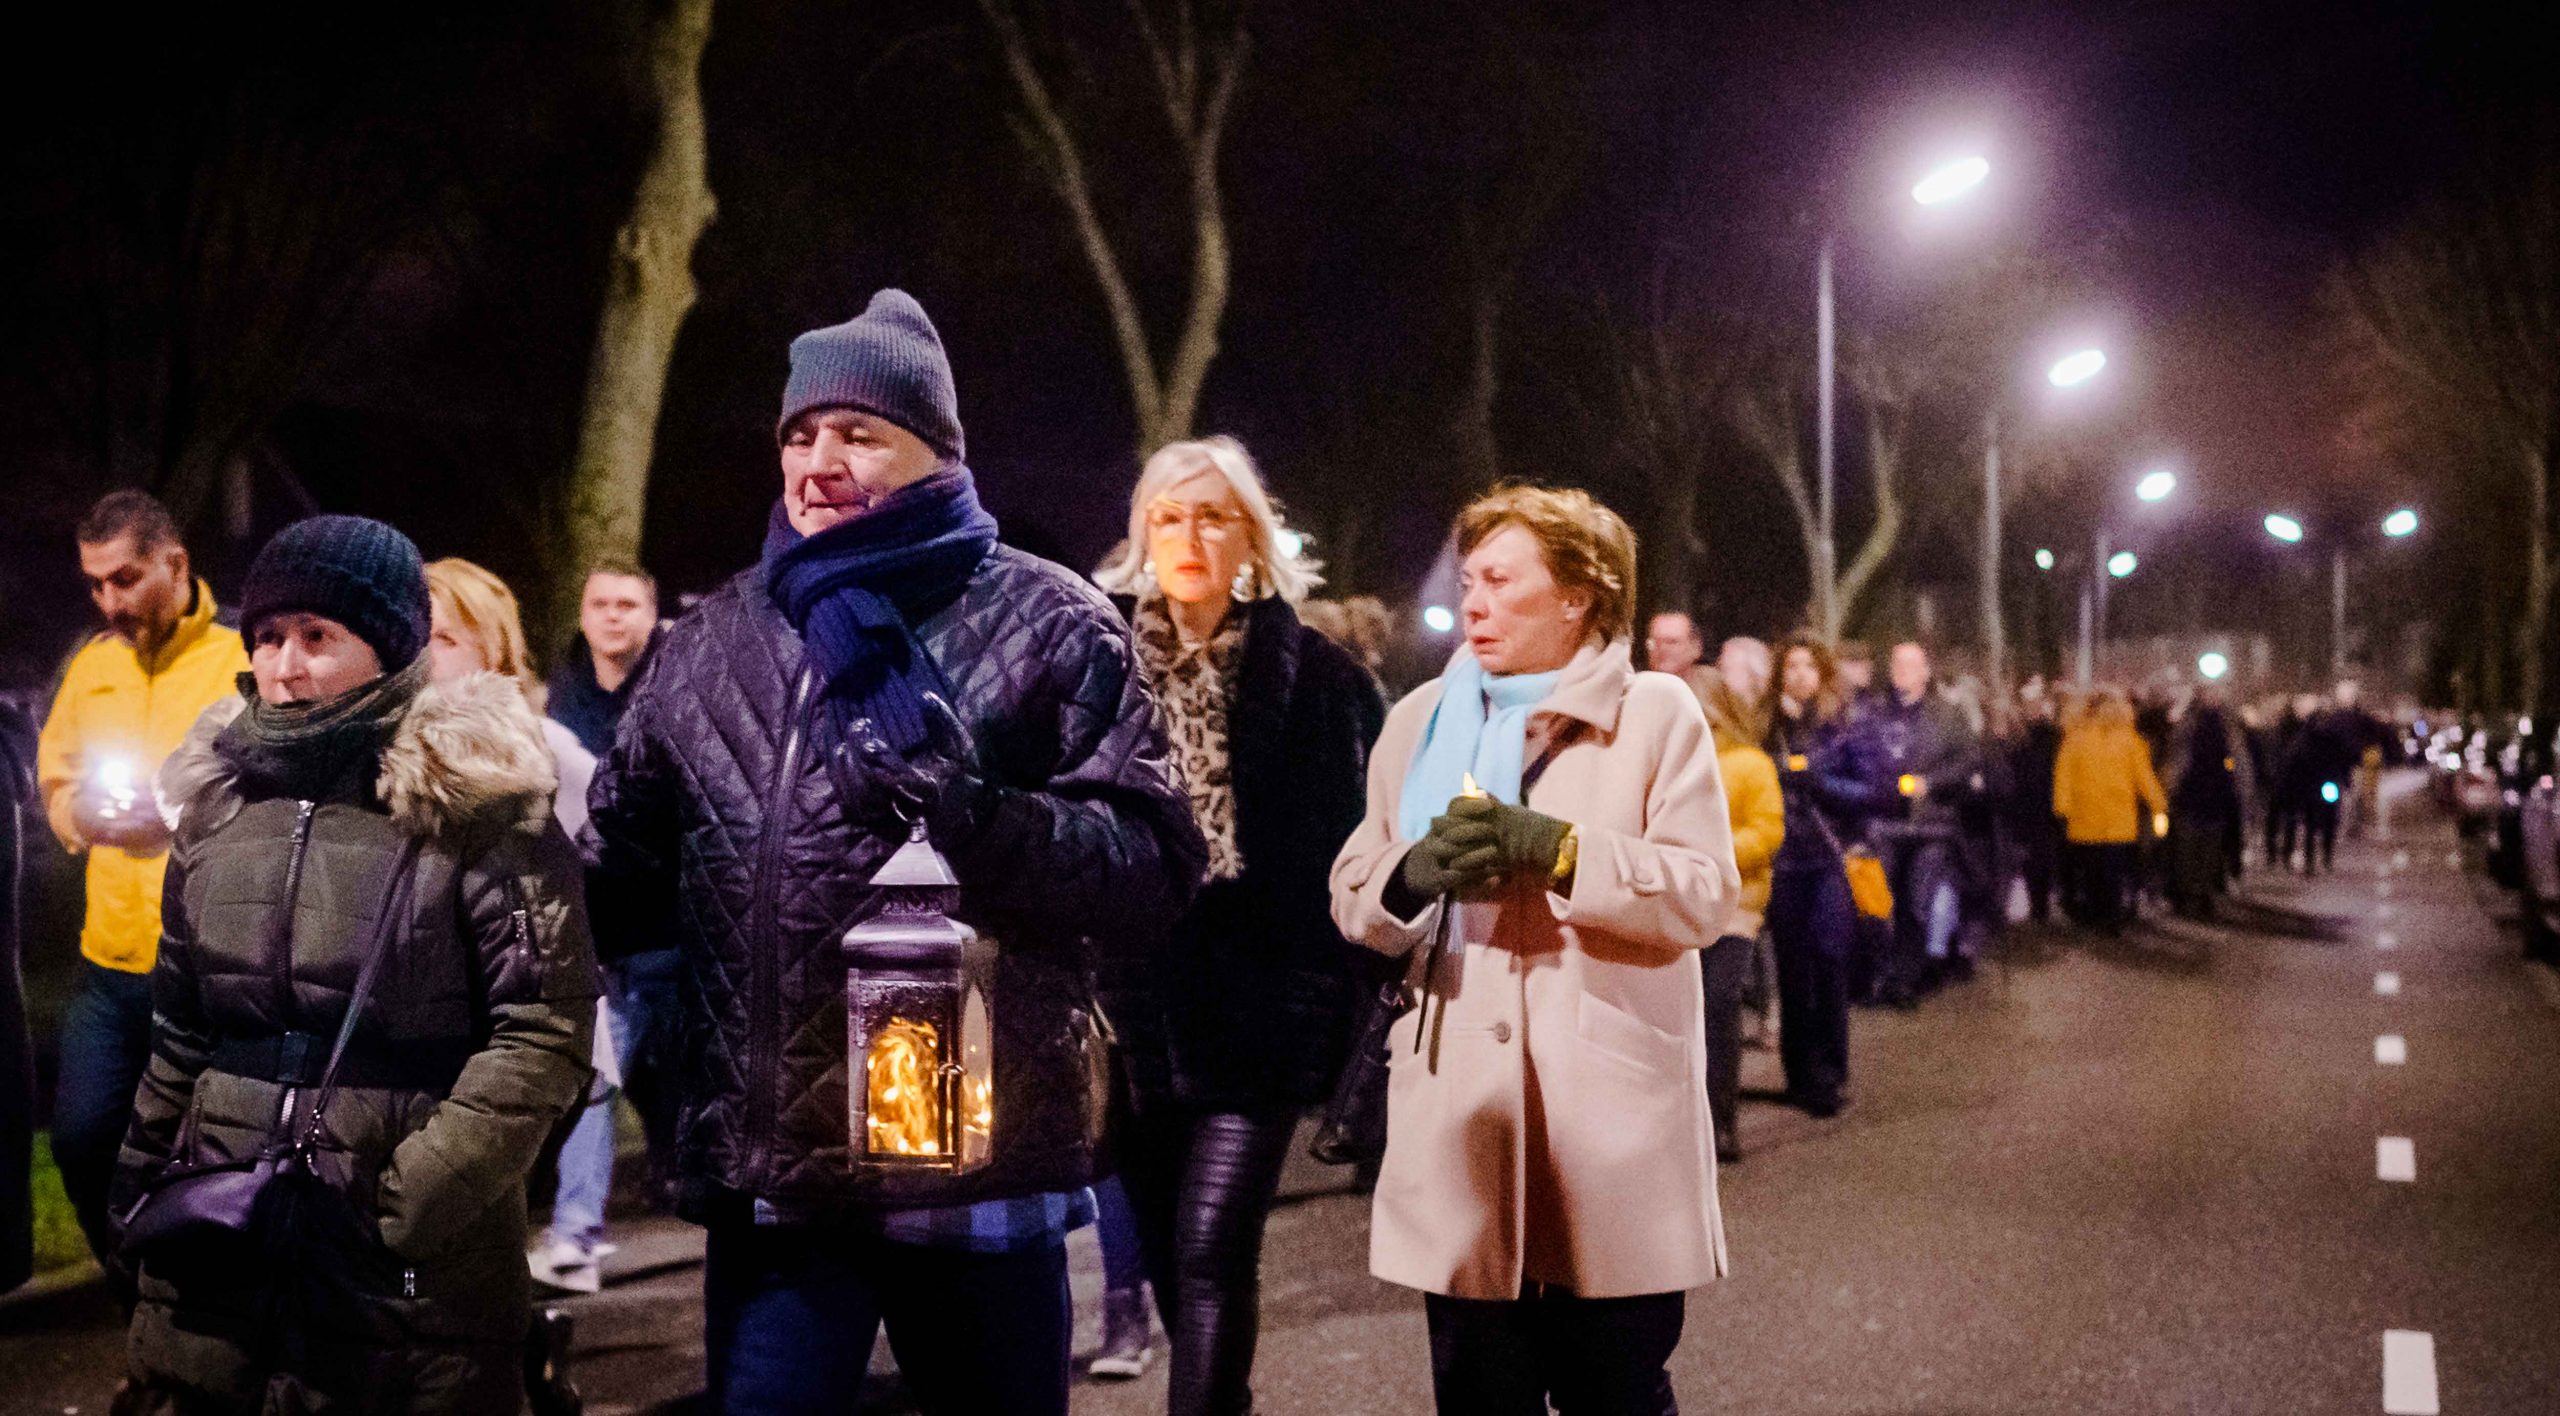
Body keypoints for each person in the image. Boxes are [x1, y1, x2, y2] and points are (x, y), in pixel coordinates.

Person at [582, 289, 1205, 1416]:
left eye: (859, 433)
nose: (819, 460)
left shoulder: (1051, 620)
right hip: (783, 1186)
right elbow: (617, 880)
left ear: (938, 450)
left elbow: (1152, 869)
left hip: (977, 1181)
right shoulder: (714, 640)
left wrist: (974, 816)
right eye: (799, 433)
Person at [111, 515, 598, 1412]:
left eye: (318, 637)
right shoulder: (217, 807)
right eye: (267, 637)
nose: (285, 666)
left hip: (402, 1268)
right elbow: (181, 1027)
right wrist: (145, 1178)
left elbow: (543, 1031)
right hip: (228, 1243)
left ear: (390, 648)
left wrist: (413, 1201)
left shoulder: (482, 803)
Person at [1331, 485, 1740, 1415]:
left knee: (1616, 1392)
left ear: (1578, 596)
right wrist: (1412, 872)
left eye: (1501, 581)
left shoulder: (1658, 712)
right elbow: (1355, 893)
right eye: (1469, 579)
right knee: (1479, 1396)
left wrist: (1560, 852)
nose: (1472, 603)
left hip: (1609, 1129)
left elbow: (1706, 894)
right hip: (1464, 1121)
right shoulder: (1420, 719)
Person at [1093, 436, 1386, 1413]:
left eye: (1212, 515)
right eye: (1168, 516)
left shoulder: (1320, 679)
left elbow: (1348, 850)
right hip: (1131, 1016)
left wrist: (1319, 1001)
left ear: (1250, 536)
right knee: (1176, 1264)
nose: (1188, 535)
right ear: (1141, 533)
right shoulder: (1091, 666)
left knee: (1215, 1247)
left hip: (1260, 1015)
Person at [34, 490, 247, 1271]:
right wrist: (80, 816)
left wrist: (178, 823)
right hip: (108, 965)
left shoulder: (242, 660)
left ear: (176, 563)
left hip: (209, 971)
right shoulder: (92, 667)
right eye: (95, 584)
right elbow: (54, 780)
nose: (107, 601)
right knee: (85, 1146)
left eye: (124, 579)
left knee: (206, 1167)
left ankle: (202, 1340)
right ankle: (141, 1306)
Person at [420, 559, 627, 1301]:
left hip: (517, 1042)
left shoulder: (550, 754)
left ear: (494, 652)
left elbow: (602, 868)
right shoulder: (383, 756)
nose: (424, 653)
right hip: (421, 1040)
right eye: (415, 633)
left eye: (444, 636)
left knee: (473, 1244)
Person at [544, 562, 679, 1223]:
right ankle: (575, 1230)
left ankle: (676, 1168)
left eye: (628, 602)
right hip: (599, 923)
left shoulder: (680, 690)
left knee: (672, 1076)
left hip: (674, 920)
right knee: (597, 1078)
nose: (613, 615)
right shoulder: (558, 702)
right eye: (600, 602)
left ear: (652, 616)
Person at [1766, 636, 1870, 1116]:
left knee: (1829, 957)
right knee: (1793, 968)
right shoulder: (1765, 726)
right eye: (1792, 665)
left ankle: (1830, 1070)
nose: (1800, 673)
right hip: (1783, 859)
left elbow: (1872, 789)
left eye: (1810, 665)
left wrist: (1821, 783)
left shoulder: (1840, 727)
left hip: (1828, 859)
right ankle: (1800, 1072)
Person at [1845, 642, 1977, 1004]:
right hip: (1883, 824)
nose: (1902, 670)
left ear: (1926, 672)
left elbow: (1968, 761)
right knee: (1876, 903)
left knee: (1918, 903)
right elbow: (1856, 755)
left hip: (1931, 826)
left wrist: (1930, 783)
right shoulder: (1873, 715)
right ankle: (1877, 975)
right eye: (1897, 663)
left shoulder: (1948, 716)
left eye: (1911, 664)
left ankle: (1905, 979)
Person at [1697, 669, 1780, 1164]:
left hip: (1734, 907)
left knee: (1718, 1006)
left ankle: (1721, 1119)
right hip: (1680, 904)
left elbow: (1767, 831)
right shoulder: (1667, 758)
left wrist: (1712, 852)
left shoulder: (1749, 763)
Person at [2052, 687, 2168, 932]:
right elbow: (2064, 775)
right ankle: (2098, 913)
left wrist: (2158, 802)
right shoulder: (2076, 738)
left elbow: (2143, 776)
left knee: (2112, 871)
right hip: (2087, 816)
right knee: (2093, 871)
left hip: (2117, 819)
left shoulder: (2128, 740)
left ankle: (2110, 916)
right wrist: (2063, 807)